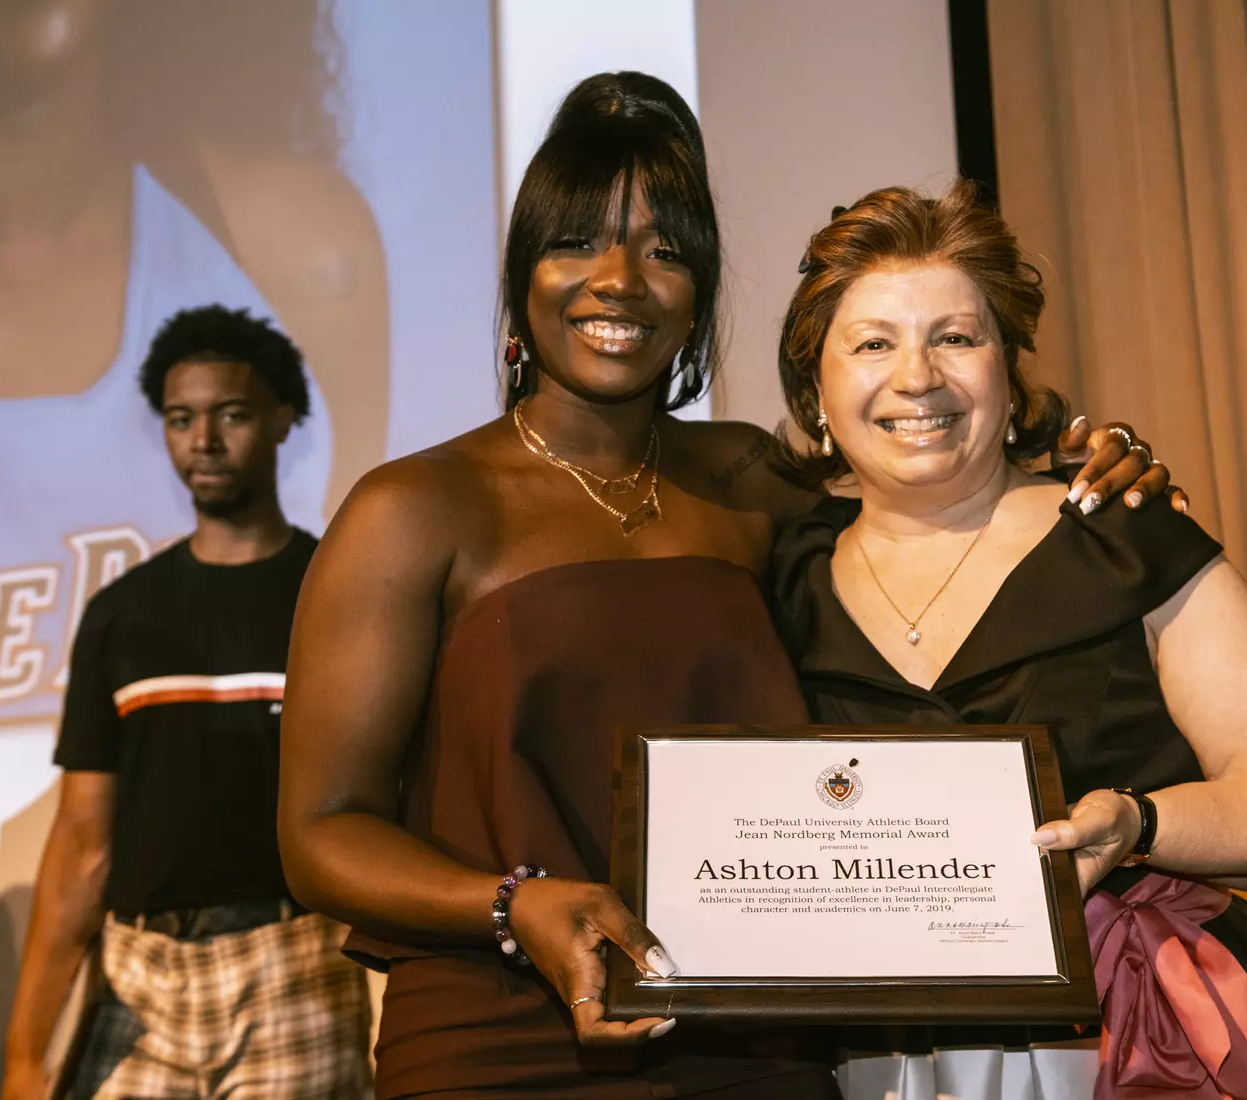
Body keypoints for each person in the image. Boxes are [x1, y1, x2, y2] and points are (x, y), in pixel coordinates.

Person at [277, 72, 1177, 1099]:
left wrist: (1076, 461)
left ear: (701, 290)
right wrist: (513, 904)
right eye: (576, 242)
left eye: (665, 251)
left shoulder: (754, 480)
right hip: (500, 1042)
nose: (619, 280)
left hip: (757, 1041)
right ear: (524, 275)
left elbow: (935, 498)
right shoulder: (411, 508)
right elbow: (321, 832)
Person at [764, 184, 1247, 1099]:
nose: (918, 377)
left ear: (1009, 375)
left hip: (1158, 1034)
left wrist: (1139, 824)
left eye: (956, 337)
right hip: (882, 1061)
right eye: (873, 344)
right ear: (817, 392)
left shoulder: (1122, 536)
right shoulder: (783, 577)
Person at [0, 307, 372, 1100]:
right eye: (180, 419)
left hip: (294, 963)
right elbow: (82, 841)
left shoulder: (337, 594)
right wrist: (25, 1055)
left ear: (284, 420)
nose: (203, 441)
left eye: (231, 415)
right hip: (136, 974)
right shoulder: (122, 613)